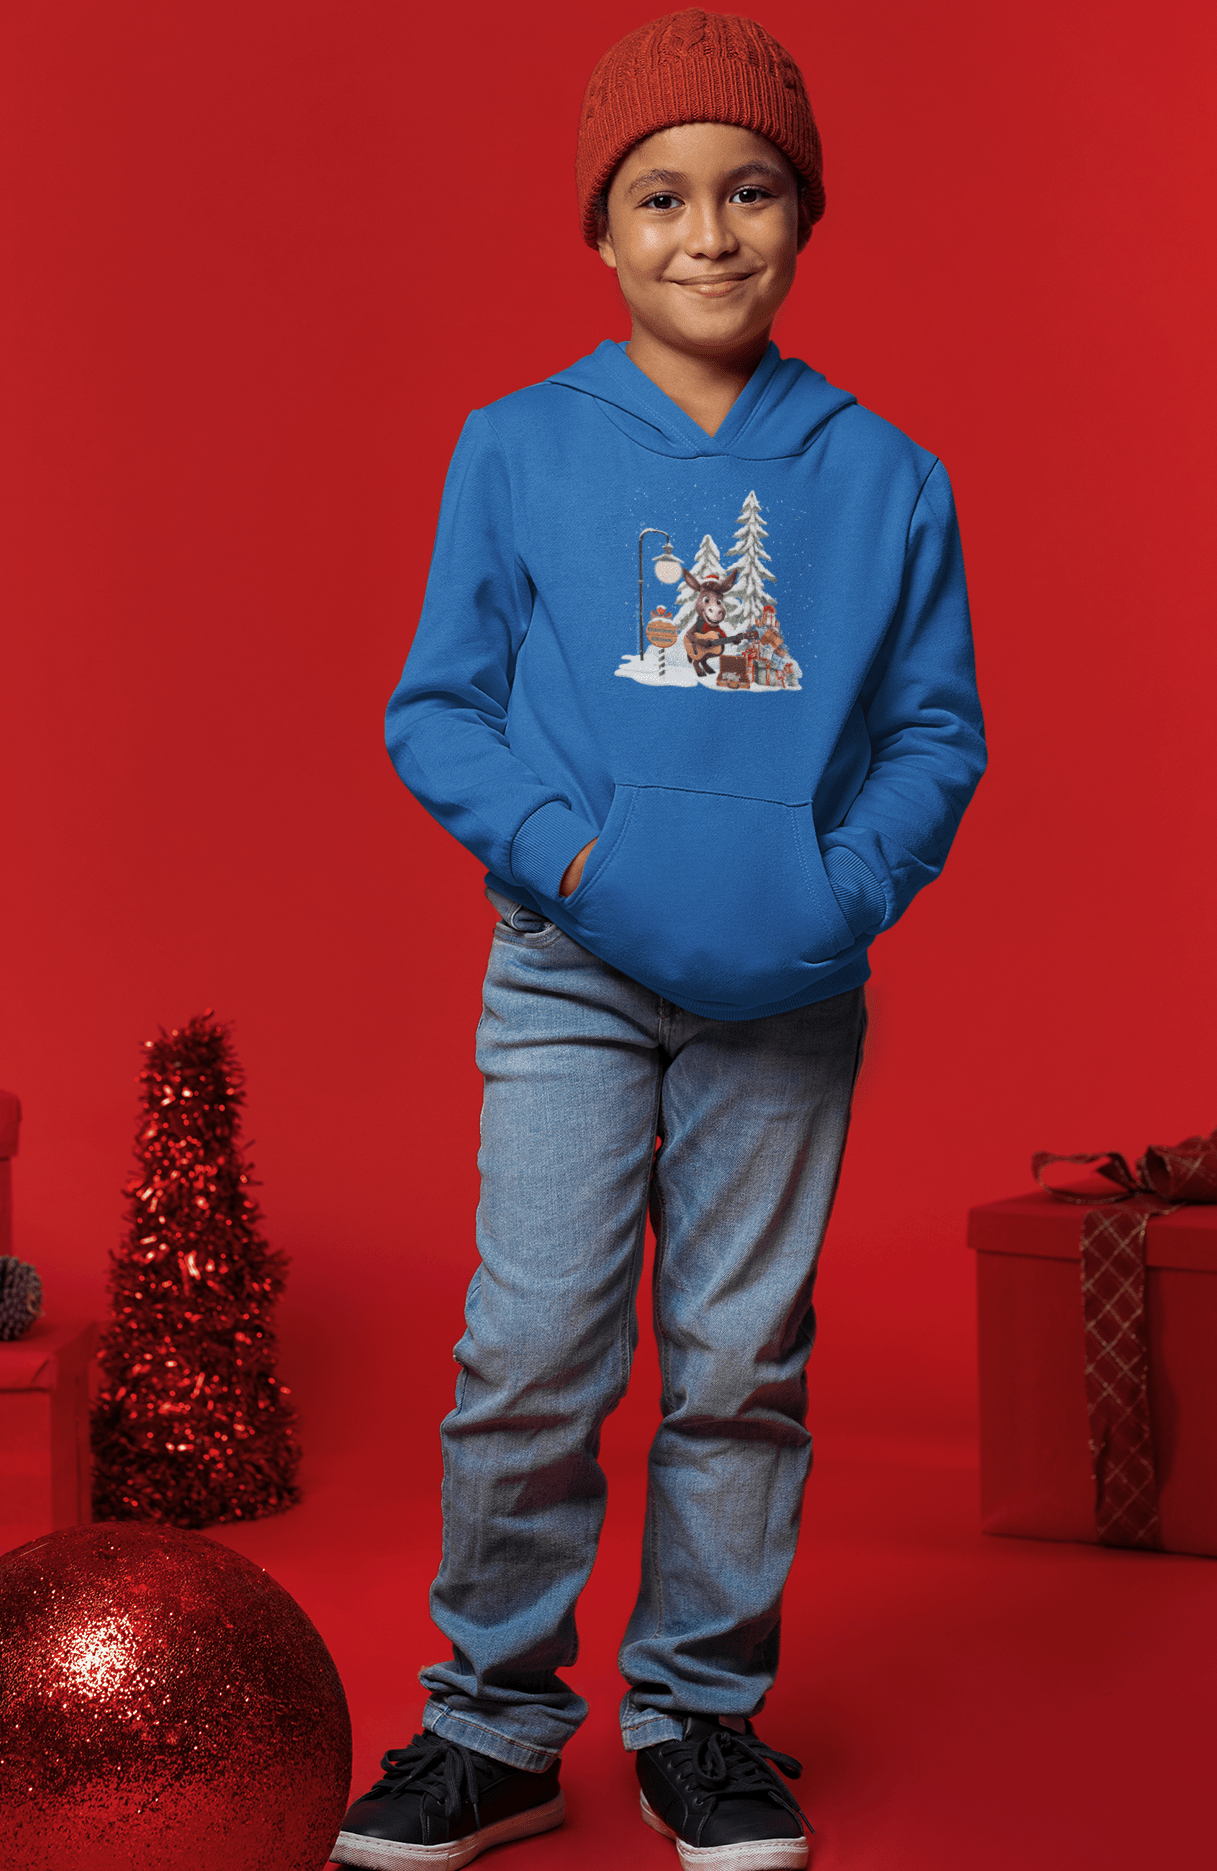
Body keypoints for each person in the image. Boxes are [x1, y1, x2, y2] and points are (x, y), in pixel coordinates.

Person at [332, 12, 984, 1869]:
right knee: (532, 1341)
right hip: (572, 966)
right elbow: (436, 707)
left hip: (787, 982)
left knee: (740, 1362)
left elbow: (939, 728)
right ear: (604, 232)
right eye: (663, 197)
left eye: (751, 191)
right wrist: (575, 858)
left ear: (803, 215)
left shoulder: (886, 478)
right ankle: (497, 1726)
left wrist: (839, 888)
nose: (710, 234)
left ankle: (702, 1716)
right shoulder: (520, 448)